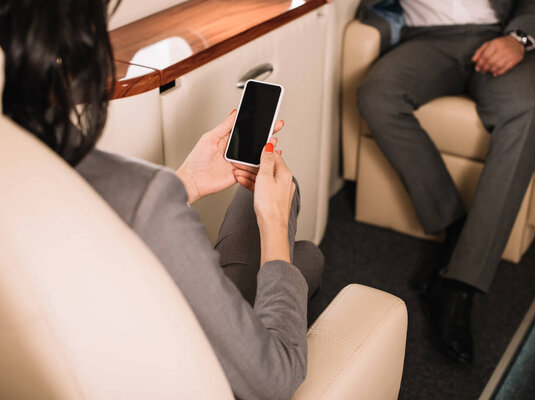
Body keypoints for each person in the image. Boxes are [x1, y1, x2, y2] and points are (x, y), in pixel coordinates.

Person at [0, 1, 324, 399]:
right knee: (290, 231)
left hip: (113, 327)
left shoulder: (22, 157)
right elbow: (275, 380)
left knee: (302, 253)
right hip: (188, 370)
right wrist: (274, 228)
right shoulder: (145, 197)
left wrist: (186, 181)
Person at [357, 0, 535, 363]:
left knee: (527, 112)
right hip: (425, 41)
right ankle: (458, 228)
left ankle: (459, 285)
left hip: (500, 34)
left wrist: (519, 38)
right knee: (377, 94)